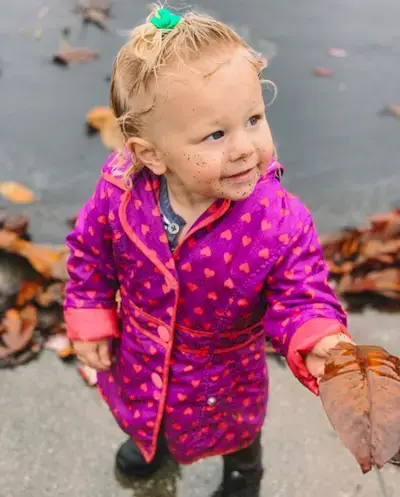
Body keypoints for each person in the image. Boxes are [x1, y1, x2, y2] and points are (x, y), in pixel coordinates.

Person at [64, 7, 353, 497]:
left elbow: (302, 293)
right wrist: (89, 310)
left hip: (226, 371)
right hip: (141, 350)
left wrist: (316, 337)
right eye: (216, 135)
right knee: (146, 407)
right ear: (151, 154)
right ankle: (154, 444)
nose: (245, 147)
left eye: (254, 119)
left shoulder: (278, 221)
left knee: (237, 428)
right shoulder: (119, 190)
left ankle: (245, 470)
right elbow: (92, 252)